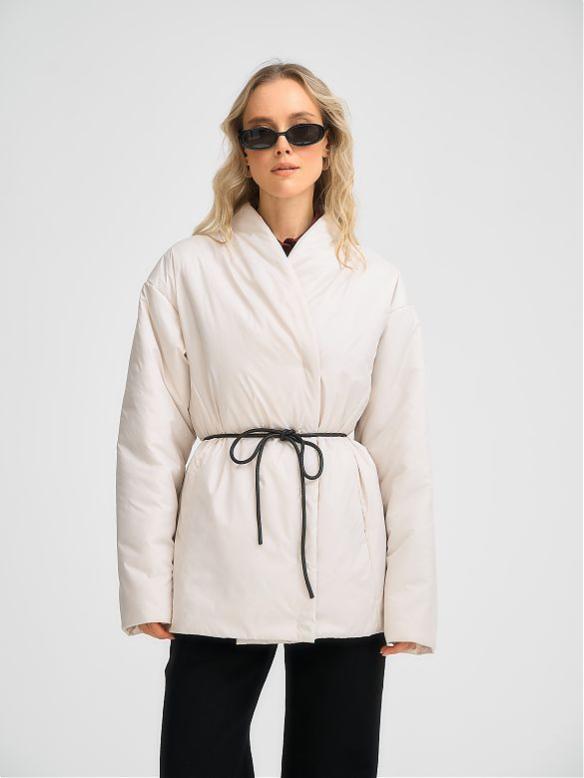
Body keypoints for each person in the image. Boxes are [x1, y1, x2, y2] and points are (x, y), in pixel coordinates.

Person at [115, 61, 438, 778]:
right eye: (261, 133)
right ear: (242, 150)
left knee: (336, 761)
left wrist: (410, 600)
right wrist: (146, 582)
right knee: (197, 757)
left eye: (302, 130)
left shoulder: (375, 281)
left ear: (329, 145)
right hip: (223, 542)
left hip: (342, 549)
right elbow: (148, 440)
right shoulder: (187, 270)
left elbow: (402, 449)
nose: (283, 146)